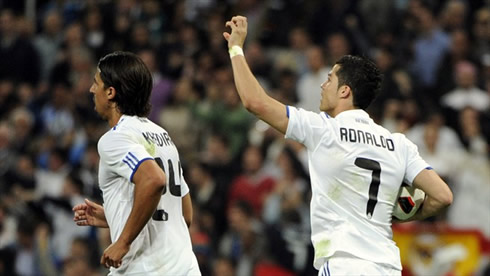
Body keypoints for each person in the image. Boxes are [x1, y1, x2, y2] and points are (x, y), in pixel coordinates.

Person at [223, 16, 453, 275]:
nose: (323, 84)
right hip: (387, 266)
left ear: (345, 91)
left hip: (345, 263)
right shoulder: (398, 143)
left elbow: (255, 102)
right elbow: (443, 196)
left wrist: (236, 48)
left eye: (330, 78)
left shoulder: (324, 129)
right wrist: (405, 215)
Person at [72, 51, 200, 275]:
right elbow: (184, 216)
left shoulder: (115, 138)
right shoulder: (162, 135)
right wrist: (114, 216)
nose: (92, 90)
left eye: (96, 83)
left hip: (144, 269)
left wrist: (123, 241)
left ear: (110, 92)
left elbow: (153, 179)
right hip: (185, 268)